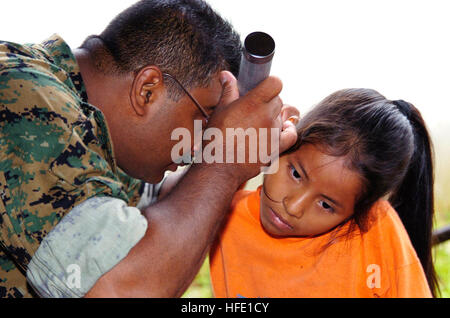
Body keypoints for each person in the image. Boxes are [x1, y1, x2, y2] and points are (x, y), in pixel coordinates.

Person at [0, 0, 298, 298]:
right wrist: (224, 162)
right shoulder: (21, 97)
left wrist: (243, 152)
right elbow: (121, 290)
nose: (197, 147)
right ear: (148, 90)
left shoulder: (91, 129)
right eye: (205, 122)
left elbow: (168, 211)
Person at [210, 88, 439, 298]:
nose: (293, 206)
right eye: (297, 174)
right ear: (285, 140)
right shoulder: (223, 211)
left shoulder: (374, 229)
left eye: (326, 205)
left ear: (358, 211)